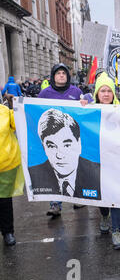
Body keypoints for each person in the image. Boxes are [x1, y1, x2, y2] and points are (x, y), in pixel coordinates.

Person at [80, 72, 120, 250]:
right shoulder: (90, 108)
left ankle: (117, 230)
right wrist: (82, 104)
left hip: (116, 160)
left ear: (113, 93)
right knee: (103, 197)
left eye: (109, 91)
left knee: (117, 196)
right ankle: (104, 215)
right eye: (102, 91)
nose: (106, 94)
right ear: (97, 93)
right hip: (97, 160)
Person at [38, 63, 84, 216]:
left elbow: (85, 109)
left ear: (68, 76)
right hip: (54, 141)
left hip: (70, 139)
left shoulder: (76, 91)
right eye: (58, 73)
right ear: (53, 76)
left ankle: (78, 199)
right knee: (55, 171)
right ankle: (55, 204)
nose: (61, 75)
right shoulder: (45, 94)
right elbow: (36, 111)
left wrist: (87, 100)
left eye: (64, 73)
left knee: (75, 168)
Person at [28, 109, 101, 201]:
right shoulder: (34, 174)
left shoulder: (98, 173)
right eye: (51, 146)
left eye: (67, 145)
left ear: (79, 144)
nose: (59, 155)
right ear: (44, 147)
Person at [0, 96, 24, 246]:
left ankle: (8, 232)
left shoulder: (5, 112)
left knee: (4, 201)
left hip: (6, 164)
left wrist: (14, 104)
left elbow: (19, 123)